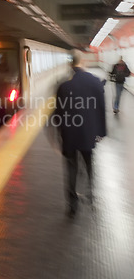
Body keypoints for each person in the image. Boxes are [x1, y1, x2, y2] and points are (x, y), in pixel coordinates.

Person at [54, 50, 106, 218]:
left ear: (70, 64)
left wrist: (60, 134)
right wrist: (101, 132)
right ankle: (91, 194)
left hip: (70, 134)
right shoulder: (95, 82)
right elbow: (100, 109)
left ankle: (72, 204)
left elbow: (58, 114)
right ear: (82, 62)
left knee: (71, 168)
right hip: (88, 134)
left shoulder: (63, 85)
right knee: (89, 163)